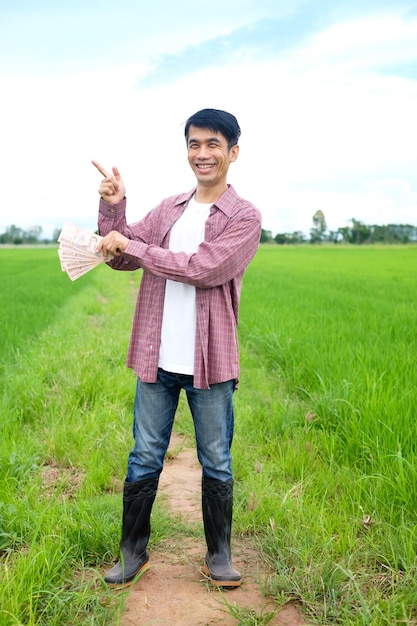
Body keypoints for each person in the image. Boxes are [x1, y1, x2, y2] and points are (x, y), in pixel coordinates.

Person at [92, 108, 262, 588]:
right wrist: (115, 210)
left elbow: (203, 268)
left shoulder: (244, 216)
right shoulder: (168, 208)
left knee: (217, 458)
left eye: (212, 144)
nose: (202, 153)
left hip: (210, 361)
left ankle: (219, 555)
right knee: (144, 454)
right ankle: (132, 552)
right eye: (193, 143)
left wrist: (136, 246)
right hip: (157, 356)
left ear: (232, 152)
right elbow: (122, 257)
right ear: (186, 149)